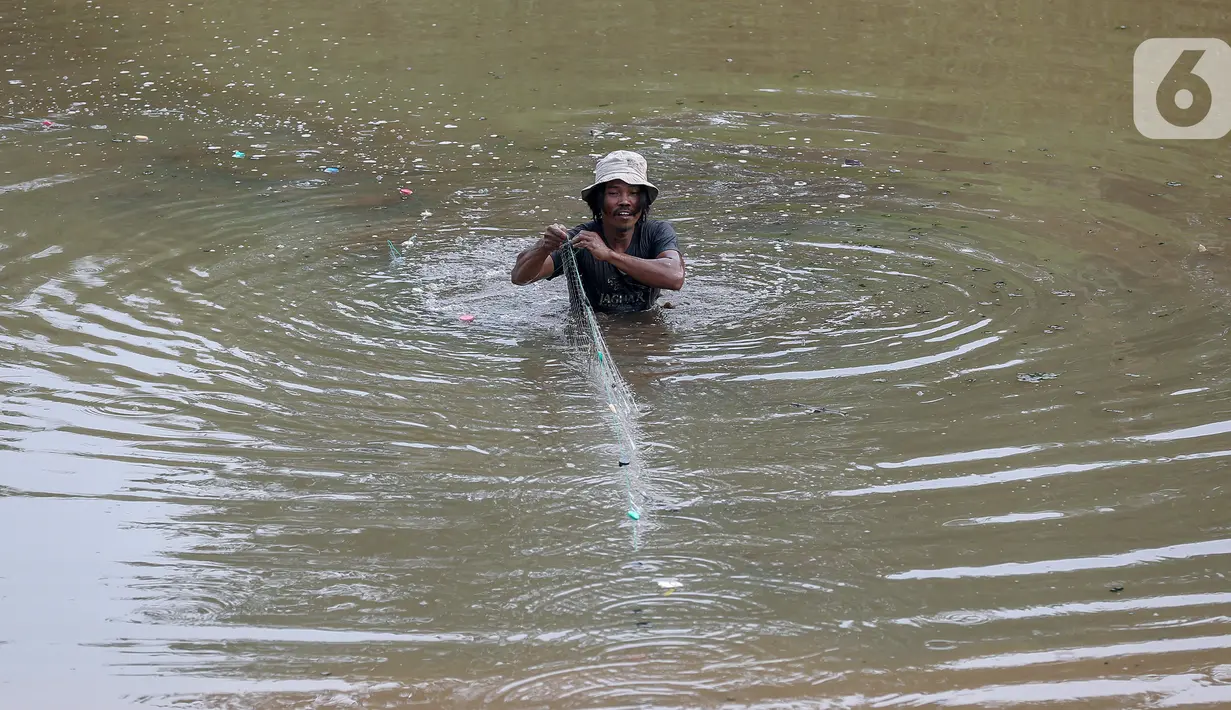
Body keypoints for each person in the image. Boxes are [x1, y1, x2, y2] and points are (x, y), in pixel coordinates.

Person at [510, 150, 684, 313]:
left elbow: (675, 277)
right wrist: (544, 247)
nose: (624, 201)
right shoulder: (580, 241)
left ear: (643, 201)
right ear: (598, 201)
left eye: (633, 193)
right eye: (614, 193)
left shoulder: (657, 232)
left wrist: (608, 254)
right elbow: (519, 277)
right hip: (593, 319)